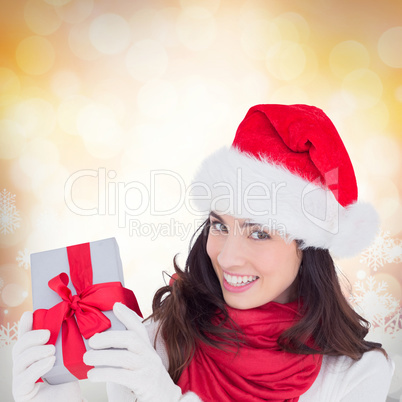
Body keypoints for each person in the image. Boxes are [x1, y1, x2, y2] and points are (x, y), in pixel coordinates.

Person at [12, 104, 394, 401]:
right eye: (219, 225)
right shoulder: (158, 340)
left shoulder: (356, 375)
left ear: (308, 248)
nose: (227, 258)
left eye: (259, 233)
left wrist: (167, 397)